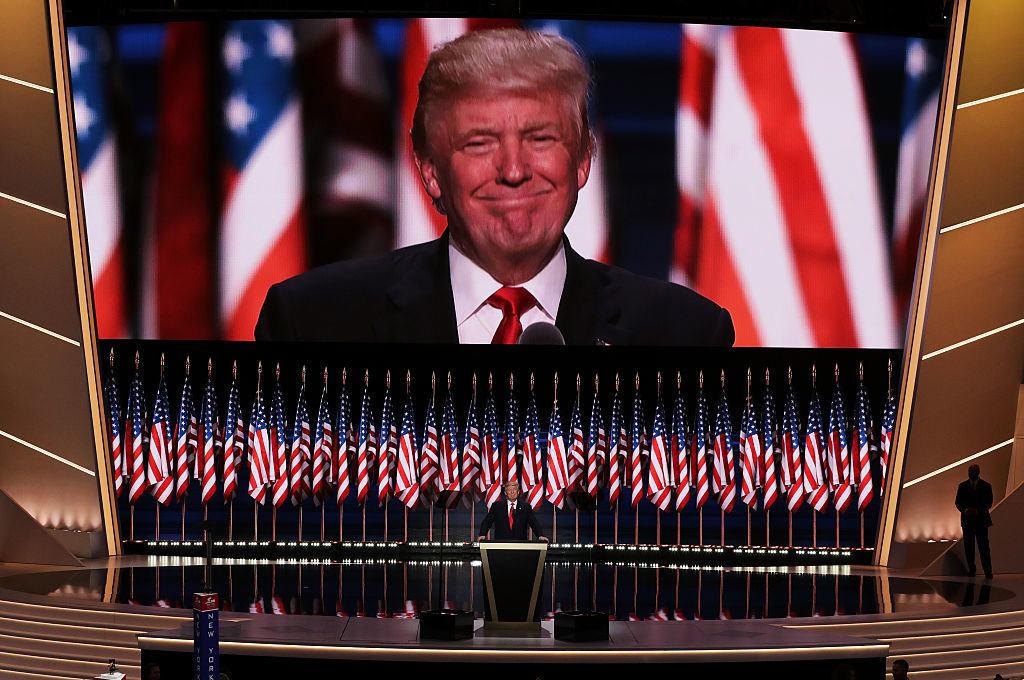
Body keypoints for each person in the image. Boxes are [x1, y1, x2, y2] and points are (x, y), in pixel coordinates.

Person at [255, 29, 734, 346]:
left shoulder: (685, 335)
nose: (513, 169)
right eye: (480, 143)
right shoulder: (311, 324)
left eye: (540, 138)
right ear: (430, 172)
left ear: (583, 159)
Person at [955, 463, 993, 579]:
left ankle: (987, 571)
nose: (971, 473)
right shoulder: (962, 486)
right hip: (969, 521)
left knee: (984, 548)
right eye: (970, 471)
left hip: (979, 521)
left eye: (973, 471)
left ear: (978, 472)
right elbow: (958, 502)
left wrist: (976, 511)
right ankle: (972, 570)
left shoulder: (986, 486)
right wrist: (966, 510)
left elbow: (989, 502)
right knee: (969, 548)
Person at [477, 481, 548, 542]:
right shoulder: (497, 506)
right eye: (509, 490)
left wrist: (540, 536)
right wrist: (482, 534)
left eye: (514, 489)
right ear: (505, 492)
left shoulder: (525, 507)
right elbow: (487, 521)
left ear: (518, 492)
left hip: (520, 543)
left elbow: (534, 523)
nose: (512, 492)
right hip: (501, 543)